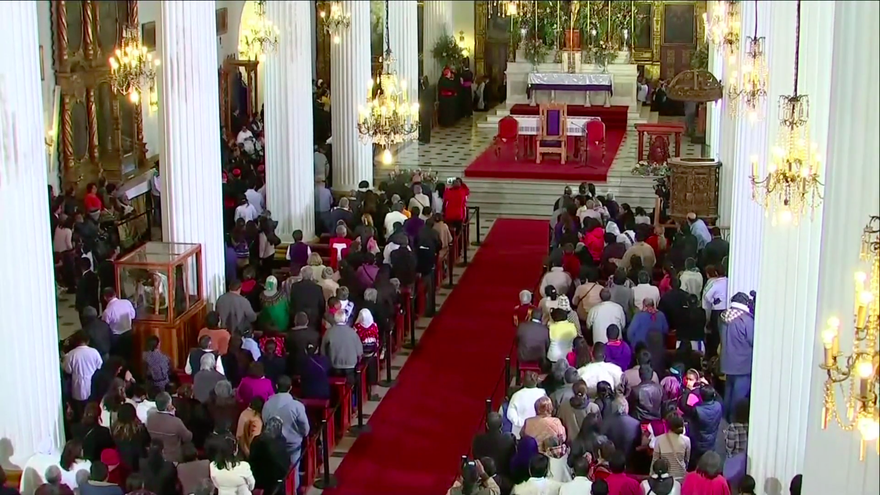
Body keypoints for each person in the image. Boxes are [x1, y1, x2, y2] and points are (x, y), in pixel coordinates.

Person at [261, 375, 310, 489]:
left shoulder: (267, 404)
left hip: (273, 444)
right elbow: (305, 427)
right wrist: (302, 434)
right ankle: (293, 490)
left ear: (276, 386)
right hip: (292, 443)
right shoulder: (297, 405)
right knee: (294, 469)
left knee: (275, 470)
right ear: (290, 388)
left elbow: (265, 421)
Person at [719, 293, 755, 421]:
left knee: (728, 396)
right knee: (738, 399)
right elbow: (754, 341)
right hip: (743, 366)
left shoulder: (723, 318)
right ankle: (734, 424)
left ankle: (723, 422)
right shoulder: (746, 320)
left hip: (727, 364)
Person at [680, 386, 723, 467]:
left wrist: (687, 391)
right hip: (711, 441)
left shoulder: (697, 410)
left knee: (695, 463)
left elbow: (684, 406)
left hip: (698, 442)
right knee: (708, 463)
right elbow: (719, 398)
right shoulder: (718, 406)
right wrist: (709, 387)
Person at [145, 392, 193, 463]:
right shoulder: (176, 422)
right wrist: (172, 416)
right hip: (173, 459)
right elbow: (188, 437)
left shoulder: (149, 418)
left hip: (156, 457)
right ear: (169, 406)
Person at [248, 416, 290, 495]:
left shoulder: (257, 440)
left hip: (260, 478)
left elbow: (252, 459)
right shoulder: (281, 441)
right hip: (276, 480)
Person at [64, 331, 103, 413]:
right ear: (88, 341)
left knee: (79, 409)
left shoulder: (70, 355)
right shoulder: (94, 352)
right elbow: (99, 366)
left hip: (77, 386)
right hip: (92, 383)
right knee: (92, 407)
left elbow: (68, 370)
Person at [471, 412, 517, 483]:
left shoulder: (478, 439)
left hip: (482, 476)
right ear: (501, 425)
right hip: (503, 478)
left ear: (487, 425)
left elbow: (476, 457)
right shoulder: (509, 440)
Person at [110, 404, 151, 478]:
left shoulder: (114, 430)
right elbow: (147, 442)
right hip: (137, 464)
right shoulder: (140, 430)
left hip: (120, 464)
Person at [322, 310, 364, 383]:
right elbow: (359, 352)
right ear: (345, 319)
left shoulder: (328, 332)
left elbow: (323, 352)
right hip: (350, 366)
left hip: (335, 366)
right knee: (350, 387)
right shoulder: (352, 332)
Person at [506, 372, 547, 438]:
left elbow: (510, 415)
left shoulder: (516, 395)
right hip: (538, 432)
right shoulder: (542, 393)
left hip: (519, 432)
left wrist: (522, 423)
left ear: (523, 382)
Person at [652, 414, 690, 481]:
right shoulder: (686, 440)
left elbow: (655, 461)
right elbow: (687, 460)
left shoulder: (659, 440)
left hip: (665, 478)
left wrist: (651, 477)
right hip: (681, 477)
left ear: (667, 426)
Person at [102, 288, 136, 358]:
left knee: (118, 357)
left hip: (116, 338)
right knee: (129, 356)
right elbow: (133, 316)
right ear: (115, 294)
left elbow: (105, 325)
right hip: (129, 333)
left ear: (105, 297)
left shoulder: (107, 311)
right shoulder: (126, 302)